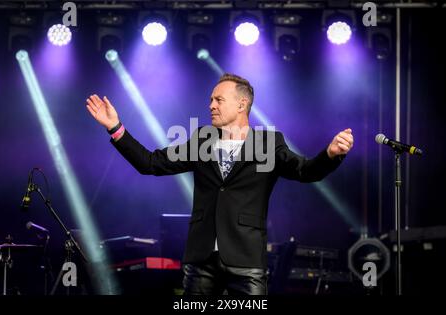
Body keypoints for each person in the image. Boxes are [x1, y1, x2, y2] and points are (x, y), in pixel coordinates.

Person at [85, 73, 354, 295]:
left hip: (246, 260)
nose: (211, 105)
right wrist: (115, 127)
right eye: (210, 100)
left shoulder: (269, 144)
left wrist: (330, 155)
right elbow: (150, 164)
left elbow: (306, 171)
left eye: (218, 100)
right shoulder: (202, 140)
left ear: (241, 104)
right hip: (201, 260)